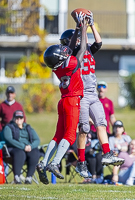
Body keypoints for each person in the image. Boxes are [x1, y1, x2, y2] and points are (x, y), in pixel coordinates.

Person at [60, 11, 124, 179]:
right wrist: (79, 27)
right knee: (84, 129)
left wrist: (91, 25)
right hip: (80, 95)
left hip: (93, 94)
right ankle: (81, 162)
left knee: (101, 124)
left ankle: (107, 154)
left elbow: (99, 42)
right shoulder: (72, 53)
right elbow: (75, 43)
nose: (82, 39)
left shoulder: (89, 49)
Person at [36, 15, 88, 184]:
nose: (64, 50)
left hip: (63, 101)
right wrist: (84, 30)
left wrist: (78, 28)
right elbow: (81, 50)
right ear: (60, 58)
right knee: (70, 136)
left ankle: (43, 163)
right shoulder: (71, 63)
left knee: (58, 136)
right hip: (73, 100)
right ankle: (55, 163)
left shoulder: (57, 68)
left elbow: (71, 49)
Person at [2, 110, 40, 184]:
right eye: (17, 118)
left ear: (23, 119)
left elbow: (37, 140)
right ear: (13, 118)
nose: (19, 119)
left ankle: (29, 177)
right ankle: (17, 177)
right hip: (13, 148)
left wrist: (31, 146)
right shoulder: (8, 127)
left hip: (28, 148)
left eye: (20, 118)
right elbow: (9, 139)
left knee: (35, 153)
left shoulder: (28, 127)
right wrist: (23, 147)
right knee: (20, 153)